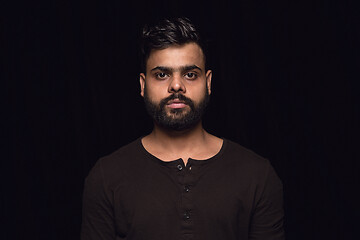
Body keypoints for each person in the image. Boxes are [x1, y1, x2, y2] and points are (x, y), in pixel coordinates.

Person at [81, 17, 285, 240]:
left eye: (190, 74)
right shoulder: (106, 177)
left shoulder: (257, 175)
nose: (176, 85)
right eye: (162, 74)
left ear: (208, 83)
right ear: (142, 85)